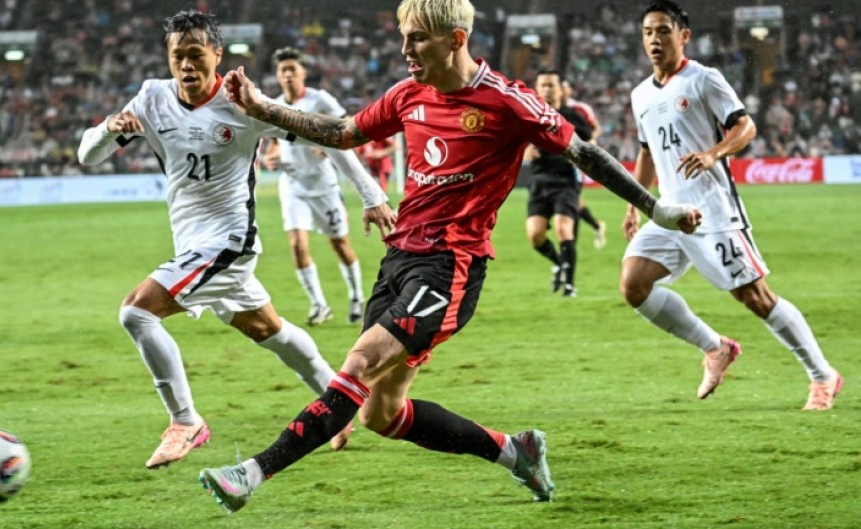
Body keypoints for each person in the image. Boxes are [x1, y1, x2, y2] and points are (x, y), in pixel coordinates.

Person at [198, 0, 700, 513]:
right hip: (398, 260)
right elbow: (344, 133)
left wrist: (656, 208)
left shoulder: (506, 100)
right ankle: (514, 452)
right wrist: (265, 110)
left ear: (455, 40)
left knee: (359, 362)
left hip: (450, 266)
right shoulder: (407, 94)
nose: (404, 49)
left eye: (417, 38)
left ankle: (251, 473)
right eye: (404, 37)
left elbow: (584, 153)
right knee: (379, 413)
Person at [76, 10, 396, 469]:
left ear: (217, 55)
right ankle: (339, 406)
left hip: (229, 242)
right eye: (177, 56)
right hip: (191, 244)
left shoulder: (244, 103)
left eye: (195, 55)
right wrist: (109, 128)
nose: (186, 66)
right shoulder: (152, 97)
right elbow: (88, 155)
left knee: (136, 311)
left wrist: (371, 195)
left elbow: (328, 138)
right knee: (268, 329)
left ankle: (185, 422)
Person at [620, 0, 843, 410]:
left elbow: (746, 127)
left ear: (683, 36)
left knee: (756, 297)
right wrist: (636, 203)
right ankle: (715, 348)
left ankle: (822, 376)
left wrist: (712, 152)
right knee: (634, 284)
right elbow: (648, 151)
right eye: (649, 31)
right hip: (670, 211)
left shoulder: (705, 79)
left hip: (713, 211)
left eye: (663, 31)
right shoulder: (640, 95)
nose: (655, 39)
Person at [262, 47, 387, 326]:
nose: (288, 75)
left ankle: (356, 296)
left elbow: (346, 128)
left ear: (303, 72)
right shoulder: (274, 105)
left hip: (324, 186)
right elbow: (271, 143)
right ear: (278, 75)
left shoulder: (321, 100)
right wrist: (270, 159)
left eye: (293, 69)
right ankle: (319, 304)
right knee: (296, 244)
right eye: (283, 70)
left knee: (340, 244)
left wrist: (331, 145)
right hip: (293, 186)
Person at [523, 70, 594, 297]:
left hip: (565, 181)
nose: (547, 89)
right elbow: (515, 142)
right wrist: (524, 150)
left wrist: (576, 153)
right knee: (535, 235)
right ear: (537, 88)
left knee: (564, 230)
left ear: (560, 89)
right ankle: (559, 264)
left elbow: (589, 141)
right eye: (543, 85)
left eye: (551, 85)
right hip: (539, 181)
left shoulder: (572, 116)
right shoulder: (528, 116)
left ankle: (570, 286)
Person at [562, 79, 607, 249]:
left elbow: (596, 127)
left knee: (572, 203)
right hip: (555, 161)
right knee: (574, 202)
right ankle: (596, 226)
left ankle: (569, 249)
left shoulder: (580, 109)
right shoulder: (548, 106)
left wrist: (592, 140)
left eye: (565, 87)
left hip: (574, 159)